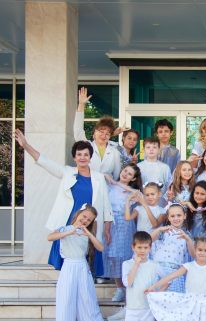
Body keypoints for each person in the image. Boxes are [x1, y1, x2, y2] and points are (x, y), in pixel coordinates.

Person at [14, 129, 113, 273]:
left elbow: (106, 205)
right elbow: (44, 161)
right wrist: (26, 145)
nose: (82, 157)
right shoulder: (67, 172)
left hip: (90, 222)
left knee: (89, 256)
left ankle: (86, 279)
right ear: (74, 157)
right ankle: (67, 279)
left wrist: (107, 228)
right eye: (79, 154)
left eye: (86, 154)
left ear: (90, 157)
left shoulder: (99, 177)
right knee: (68, 255)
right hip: (69, 220)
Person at [47, 204, 122, 321]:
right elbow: (50, 237)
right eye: (84, 217)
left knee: (88, 300)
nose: (85, 220)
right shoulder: (65, 229)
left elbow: (100, 248)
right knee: (65, 301)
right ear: (78, 214)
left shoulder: (87, 233)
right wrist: (70, 232)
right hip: (68, 267)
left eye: (89, 220)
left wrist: (88, 233)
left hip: (82, 267)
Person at [113, 231, 162, 321]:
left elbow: (166, 281)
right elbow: (128, 282)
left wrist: (155, 290)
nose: (142, 250)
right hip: (133, 308)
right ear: (133, 247)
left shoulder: (154, 265)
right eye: (139, 247)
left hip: (148, 308)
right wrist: (136, 264)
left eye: (145, 247)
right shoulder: (127, 264)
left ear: (150, 248)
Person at [103, 164, 142, 303]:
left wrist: (119, 184)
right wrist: (113, 182)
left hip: (124, 224)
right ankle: (119, 287)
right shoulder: (109, 185)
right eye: (125, 171)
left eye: (130, 174)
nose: (125, 174)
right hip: (110, 221)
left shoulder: (132, 192)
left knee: (123, 256)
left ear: (133, 178)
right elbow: (102, 175)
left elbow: (139, 195)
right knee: (112, 256)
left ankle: (127, 287)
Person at [74, 87, 122, 180]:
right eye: (101, 131)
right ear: (94, 132)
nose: (104, 135)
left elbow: (116, 176)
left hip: (106, 188)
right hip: (88, 186)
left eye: (107, 133)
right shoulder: (87, 146)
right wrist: (81, 105)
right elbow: (78, 131)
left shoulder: (115, 152)